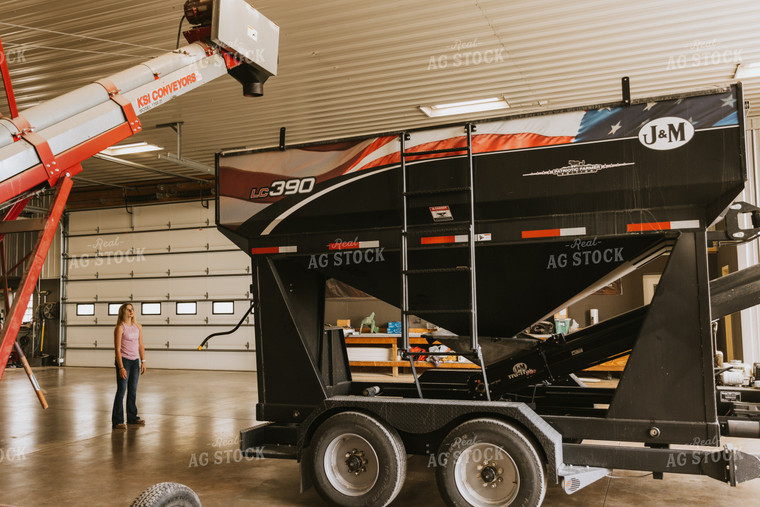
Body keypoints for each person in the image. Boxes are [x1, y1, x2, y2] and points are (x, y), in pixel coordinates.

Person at [111, 303, 146, 429]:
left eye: (132, 309)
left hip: (135, 361)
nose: (131, 311)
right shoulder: (120, 328)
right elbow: (117, 350)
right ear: (123, 312)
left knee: (133, 391)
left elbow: (141, 345)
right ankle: (118, 420)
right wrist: (121, 367)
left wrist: (143, 361)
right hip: (124, 361)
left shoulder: (138, 327)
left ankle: (132, 417)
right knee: (121, 391)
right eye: (128, 309)